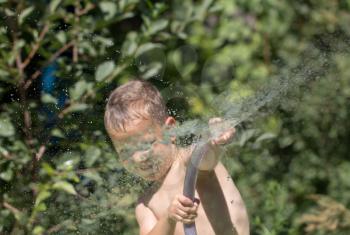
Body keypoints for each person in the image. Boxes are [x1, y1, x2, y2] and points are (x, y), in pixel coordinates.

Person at [104, 79, 250, 235]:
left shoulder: (187, 161)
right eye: (126, 152)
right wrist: (169, 218)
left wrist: (215, 138)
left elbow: (207, 156)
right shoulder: (146, 204)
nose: (139, 158)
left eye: (145, 145)